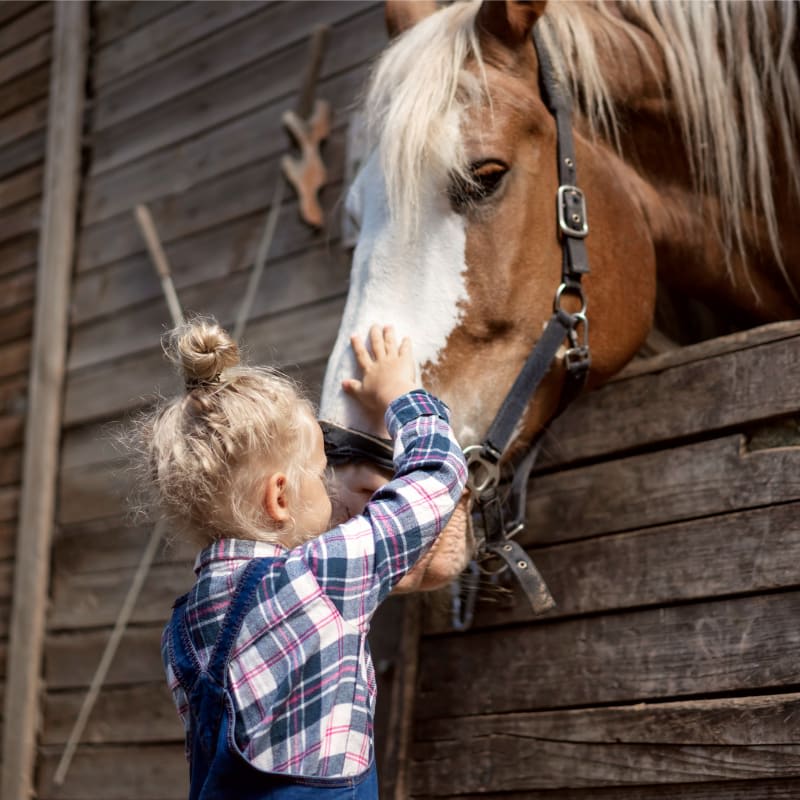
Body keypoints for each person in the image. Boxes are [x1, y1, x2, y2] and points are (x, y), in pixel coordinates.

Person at [132, 316, 467, 799]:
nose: (331, 487)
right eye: (320, 471)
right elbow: (436, 477)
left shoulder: (181, 627)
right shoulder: (321, 576)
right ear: (280, 498)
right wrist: (402, 397)